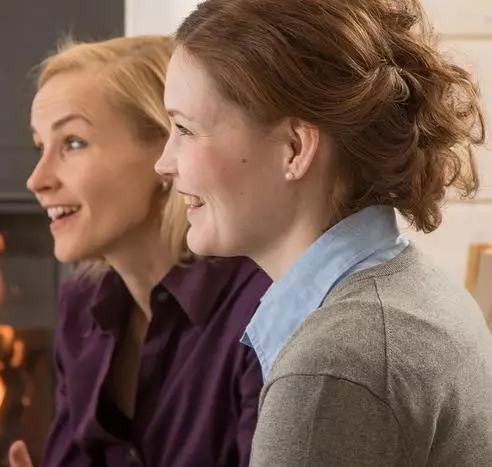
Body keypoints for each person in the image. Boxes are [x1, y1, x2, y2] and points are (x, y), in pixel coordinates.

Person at [155, 0, 492, 465]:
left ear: (294, 148)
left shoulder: (333, 365)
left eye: (184, 129)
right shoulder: (410, 290)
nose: (164, 163)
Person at [0, 34, 271, 467]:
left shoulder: (261, 310)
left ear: (166, 148)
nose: (37, 180)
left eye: (73, 143)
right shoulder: (81, 310)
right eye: (41, 147)